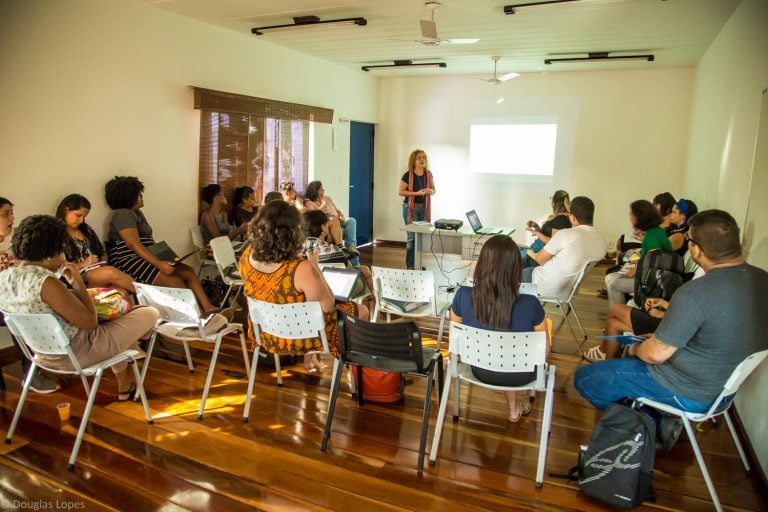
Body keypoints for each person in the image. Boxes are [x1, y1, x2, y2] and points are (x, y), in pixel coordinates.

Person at [575, 210, 768, 413]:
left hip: (686, 390)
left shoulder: (694, 293)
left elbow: (654, 355)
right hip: (722, 391)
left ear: (696, 250)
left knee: (586, 378)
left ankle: (645, 419)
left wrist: (636, 349)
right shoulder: (762, 280)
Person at [0, 215, 159, 401]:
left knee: (118, 325)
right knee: (149, 311)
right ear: (51, 251)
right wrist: (77, 283)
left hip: (40, 354)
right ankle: (143, 337)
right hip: (76, 353)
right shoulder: (46, 282)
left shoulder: (5, 277)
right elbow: (90, 322)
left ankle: (125, 386)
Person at [238, 200, 368, 371]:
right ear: (292, 232)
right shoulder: (300, 268)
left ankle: (311, 358)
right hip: (300, 337)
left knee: (306, 305)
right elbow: (327, 305)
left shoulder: (246, 258)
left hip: (266, 332)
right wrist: (313, 265)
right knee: (362, 311)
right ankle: (355, 371)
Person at [451, 235, 549, 422]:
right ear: (516, 269)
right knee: (512, 345)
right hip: (523, 375)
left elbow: (456, 340)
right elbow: (543, 353)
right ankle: (516, 405)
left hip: (480, 368)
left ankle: (515, 407)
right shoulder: (530, 304)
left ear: (482, 264)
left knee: (500, 342)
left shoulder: (463, 296)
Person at [104, 176, 218, 314]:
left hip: (144, 255)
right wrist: (159, 264)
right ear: (130, 197)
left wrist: (165, 257)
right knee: (174, 281)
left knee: (188, 271)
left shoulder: (137, 213)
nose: (141, 197)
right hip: (128, 260)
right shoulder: (123, 214)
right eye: (139, 194)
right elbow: (133, 245)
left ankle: (208, 308)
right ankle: (195, 317)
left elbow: (147, 242)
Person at [0, 198, 60, 393]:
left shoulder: (15, 240)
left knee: (27, 308)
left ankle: (34, 370)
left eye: (11, 213)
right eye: (6, 214)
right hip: (5, 299)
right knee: (17, 312)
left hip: (13, 296)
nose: (12, 218)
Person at [522, 196, 606, 299]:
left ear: (573, 217)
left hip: (543, 286)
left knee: (506, 274)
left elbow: (540, 259)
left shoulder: (566, 235)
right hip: (568, 292)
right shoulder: (601, 242)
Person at [55, 194, 135, 297]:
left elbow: (101, 251)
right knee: (109, 272)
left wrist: (103, 261)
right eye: (78, 215)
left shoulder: (86, 229)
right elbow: (57, 268)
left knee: (121, 293)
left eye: (84, 217)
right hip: (75, 280)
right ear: (66, 210)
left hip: (96, 272)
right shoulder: (55, 233)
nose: (81, 221)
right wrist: (84, 263)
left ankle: (142, 303)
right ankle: (148, 294)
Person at [603, 200, 672, 306]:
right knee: (612, 275)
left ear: (640, 217)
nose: (630, 216)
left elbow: (654, 261)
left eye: (632, 214)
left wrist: (636, 270)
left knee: (611, 281)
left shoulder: (652, 236)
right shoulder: (656, 231)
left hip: (653, 282)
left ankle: (618, 312)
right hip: (656, 277)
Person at [302, 209, 373, 291]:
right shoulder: (334, 250)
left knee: (363, 268)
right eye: (326, 224)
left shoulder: (303, 250)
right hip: (340, 288)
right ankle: (371, 300)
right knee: (365, 270)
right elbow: (349, 268)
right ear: (323, 227)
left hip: (316, 287)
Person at [304, 180, 360, 266]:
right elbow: (316, 216)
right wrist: (322, 204)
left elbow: (336, 209)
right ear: (315, 191)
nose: (323, 191)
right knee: (340, 226)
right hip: (329, 223)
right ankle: (353, 261)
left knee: (351, 221)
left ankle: (350, 247)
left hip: (337, 220)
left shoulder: (327, 198)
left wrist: (341, 215)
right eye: (321, 190)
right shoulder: (310, 203)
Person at [399, 149, 435, 270]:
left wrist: (430, 191)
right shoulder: (407, 175)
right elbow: (400, 192)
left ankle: (417, 264)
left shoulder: (428, 174)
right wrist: (417, 193)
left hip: (423, 209)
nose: (422, 160)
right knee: (412, 238)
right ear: (414, 160)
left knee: (420, 238)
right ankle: (410, 266)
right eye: (419, 157)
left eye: (423, 157)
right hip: (410, 209)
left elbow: (434, 190)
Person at [522, 190, 571, 267]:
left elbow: (553, 243)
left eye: (551, 198)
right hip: (536, 249)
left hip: (537, 253)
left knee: (508, 256)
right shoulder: (561, 218)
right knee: (513, 248)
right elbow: (546, 236)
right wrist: (536, 226)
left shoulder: (561, 220)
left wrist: (537, 233)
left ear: (555, 203)